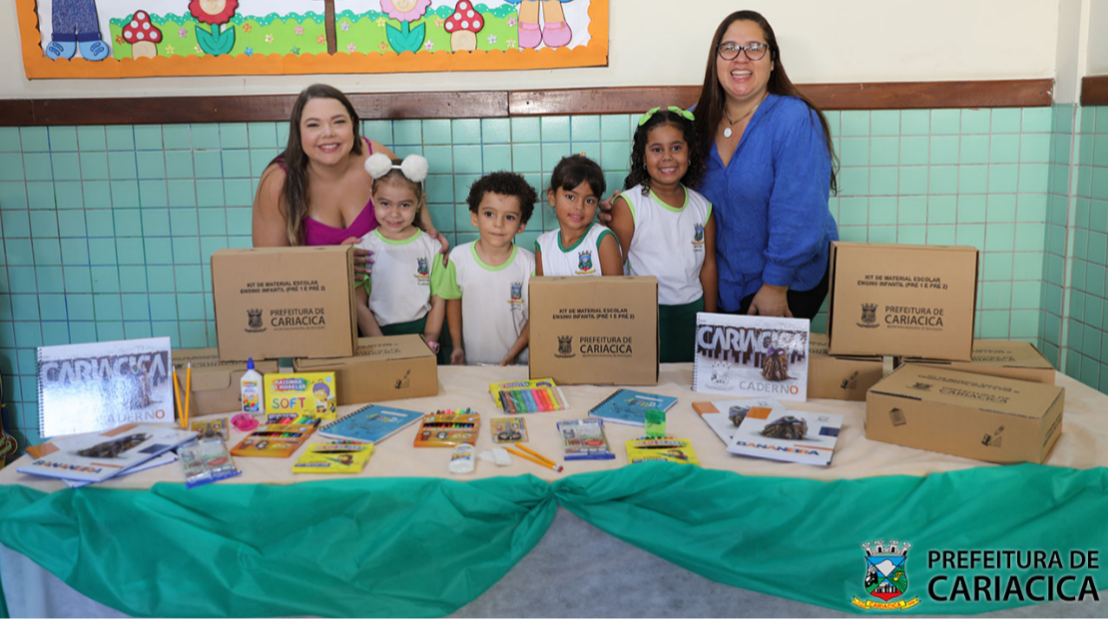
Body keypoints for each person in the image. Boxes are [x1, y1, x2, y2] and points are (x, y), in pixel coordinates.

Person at [251, 84, 448, 329]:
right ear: (298, 131)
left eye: (338, 122)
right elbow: (268, 270)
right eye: (313, 125)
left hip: (383, 320)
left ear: (353, 125)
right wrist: (329, 263)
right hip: (316, 318)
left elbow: (410, 193)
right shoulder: (278, 181)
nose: (328, 133)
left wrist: (431, 231)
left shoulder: (375, 159)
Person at [692, 10, 838, 318]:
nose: (741, 58)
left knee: (767, 367)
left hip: (788, 283)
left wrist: (776, 285)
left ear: (773, 62)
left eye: (755, 48)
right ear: (715, 60)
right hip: (723, 283)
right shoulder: (693, 121)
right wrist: (625, 205)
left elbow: (799, 212)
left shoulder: (796, 119)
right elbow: (661, 178)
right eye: (729, 48)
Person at [608, 107, 717, 363]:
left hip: (693, 316)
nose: (667, 157)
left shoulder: (704, 207)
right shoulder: (629, 204)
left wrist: (710, 322)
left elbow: (709, 266)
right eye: (657, 150)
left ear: (690, 153)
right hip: (646, 317)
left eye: (676, 148)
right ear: (643, 158)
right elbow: (613, 270)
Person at [437, 172, 537, 366]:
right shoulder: (459, 258)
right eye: (489, 214)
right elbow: (454, 302)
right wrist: (457, 346)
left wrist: (512, 355)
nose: (498, 224)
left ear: (521, 225)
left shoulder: (529, 264)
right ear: (474, 217)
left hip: (519, 366)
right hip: (475, 365)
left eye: (509, 217)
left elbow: (537, 317)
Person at [357, 153, 448, 359]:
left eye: (405, 205)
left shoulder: (432, 247)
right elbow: (358, 304)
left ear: (419, 203)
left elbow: (438, 300)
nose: (394, 214)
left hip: (423, 336)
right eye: (385, 204)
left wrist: (430, 340)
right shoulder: (364, 247)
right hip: (377, 337)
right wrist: (382, 349)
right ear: (372, 198)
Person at [534, 155, 622, 277]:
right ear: (552, 197)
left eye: (589, 200)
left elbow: (617, 293)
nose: (579, 207)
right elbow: (542, 293)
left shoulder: (602, 240)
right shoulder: (543, 246)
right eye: (570, 197)